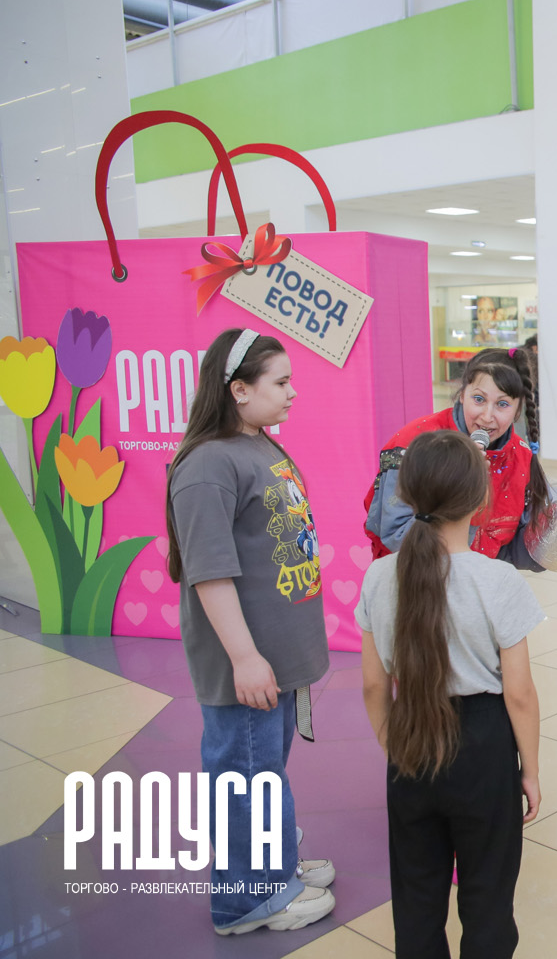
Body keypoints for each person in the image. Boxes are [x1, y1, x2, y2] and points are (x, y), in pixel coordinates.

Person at [164, 328, 334, 935]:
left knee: (265, 770)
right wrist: (244, 657)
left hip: (275, 657)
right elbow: (208, 572)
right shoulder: (209, 465)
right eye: (280, 382)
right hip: (248, 664)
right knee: (246, 778)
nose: (292, 392)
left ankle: (276, 865)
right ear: (238, 390)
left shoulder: (258, 443)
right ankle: (248, 900)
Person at [357, 429, 543, 957]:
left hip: (411, 741)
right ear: (480, 498)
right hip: (483, 751)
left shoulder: (379, 576)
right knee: (487, 898)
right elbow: (520, 695)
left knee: (415, 899)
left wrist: (394, 745)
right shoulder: (499, 580)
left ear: (406, 493)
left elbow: (373, 684)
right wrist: (528, 771)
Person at [364, 348, 548, 569]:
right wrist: (461, 487)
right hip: (416, 579)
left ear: (518, 409)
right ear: (462, 394)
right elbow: (395, 537)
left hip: (475, 581)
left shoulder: (521, 456)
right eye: (478, 399)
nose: (487, 416)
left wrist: (551, 541)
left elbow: (507, 550)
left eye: (502, 404)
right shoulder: (414, 445)